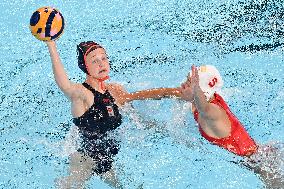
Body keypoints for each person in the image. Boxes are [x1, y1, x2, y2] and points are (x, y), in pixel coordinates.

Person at [45, 40, 181, 189]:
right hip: (85, 160)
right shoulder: (82, 94)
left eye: (104, 58)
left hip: (107, 160)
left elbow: (140, 95)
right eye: (95, 61)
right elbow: (64, 84)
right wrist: (51, 45)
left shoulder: (114, 91)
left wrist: (175, 92)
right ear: (85, 66)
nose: (101, 64)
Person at [180, 65, 283, 188]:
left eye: (188, 82)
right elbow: (173, 93)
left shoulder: (212, 112)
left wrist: (195, 89)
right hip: (261, 152)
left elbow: (204, 108)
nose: (183, 85)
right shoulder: (213, 97)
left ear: (200, 90)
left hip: (260, 164)